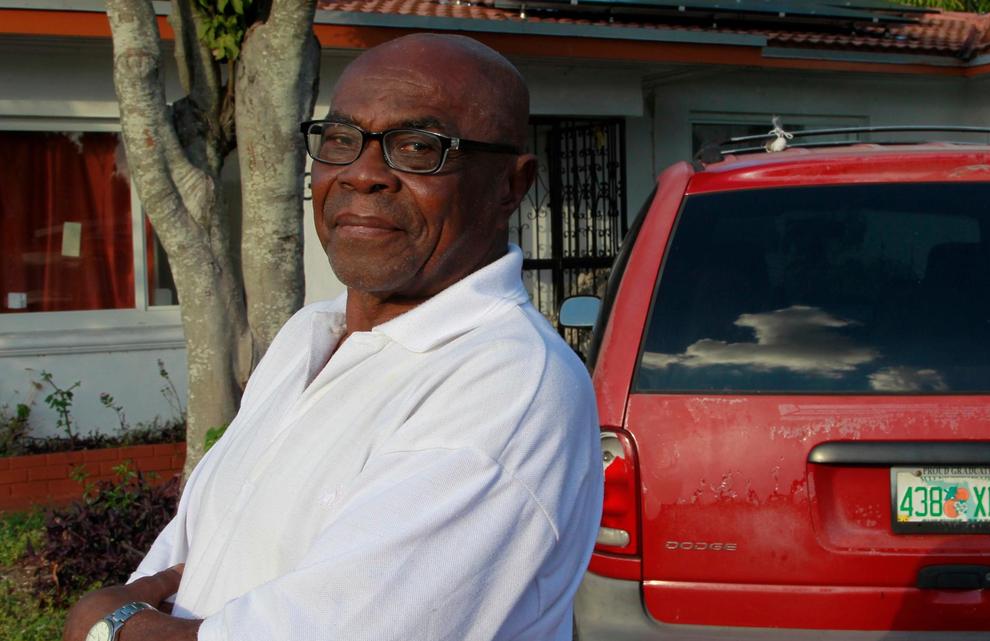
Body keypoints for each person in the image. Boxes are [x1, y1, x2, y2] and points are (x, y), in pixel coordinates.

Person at [63, 33, 603, 641]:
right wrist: (127, 617)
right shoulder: (308, 337)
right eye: (341, 140)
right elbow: (185, 557)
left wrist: (107, 628)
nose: (364, 174)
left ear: (511, 185)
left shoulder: (508, 386)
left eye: (419, 147)